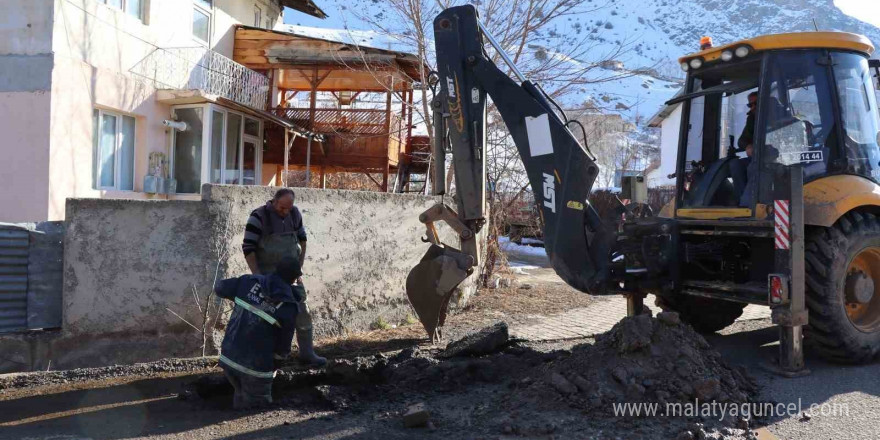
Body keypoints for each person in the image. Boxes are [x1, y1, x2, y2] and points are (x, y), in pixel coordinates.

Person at [242, 188, 326, 367]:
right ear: (274, 201)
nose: (285, 212)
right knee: (267, 318)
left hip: (292, 277)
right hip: (269, 277)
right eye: (282, 208)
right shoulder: (258, 217)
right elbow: (248, 248)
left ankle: (307, 353)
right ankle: (266, 358)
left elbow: (303, 240)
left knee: (302, 313)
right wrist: (257, 275)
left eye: (288, 208)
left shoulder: (295, 215)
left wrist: (299, 267)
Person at [215, 256, 302, 409]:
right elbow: (283, 349)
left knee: (239, 392)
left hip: (228, 359)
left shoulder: (248, 282)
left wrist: (246, 294)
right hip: (256, 369)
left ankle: (238, 403)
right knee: (255, 409)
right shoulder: (288, 306)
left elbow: (220, 288)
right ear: (296, 279)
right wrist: (274, 366)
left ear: (276, 269)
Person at [730, 91, 758, 205]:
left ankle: (749, 203)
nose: (753, 107)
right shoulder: (752, 118)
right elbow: (742, 140)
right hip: (758, 157)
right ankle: (741, 204)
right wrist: (748, 145)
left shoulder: (780, 114)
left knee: (753, 167)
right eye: (750, 105)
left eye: (756, 103)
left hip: (779, 159)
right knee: (735, 165)